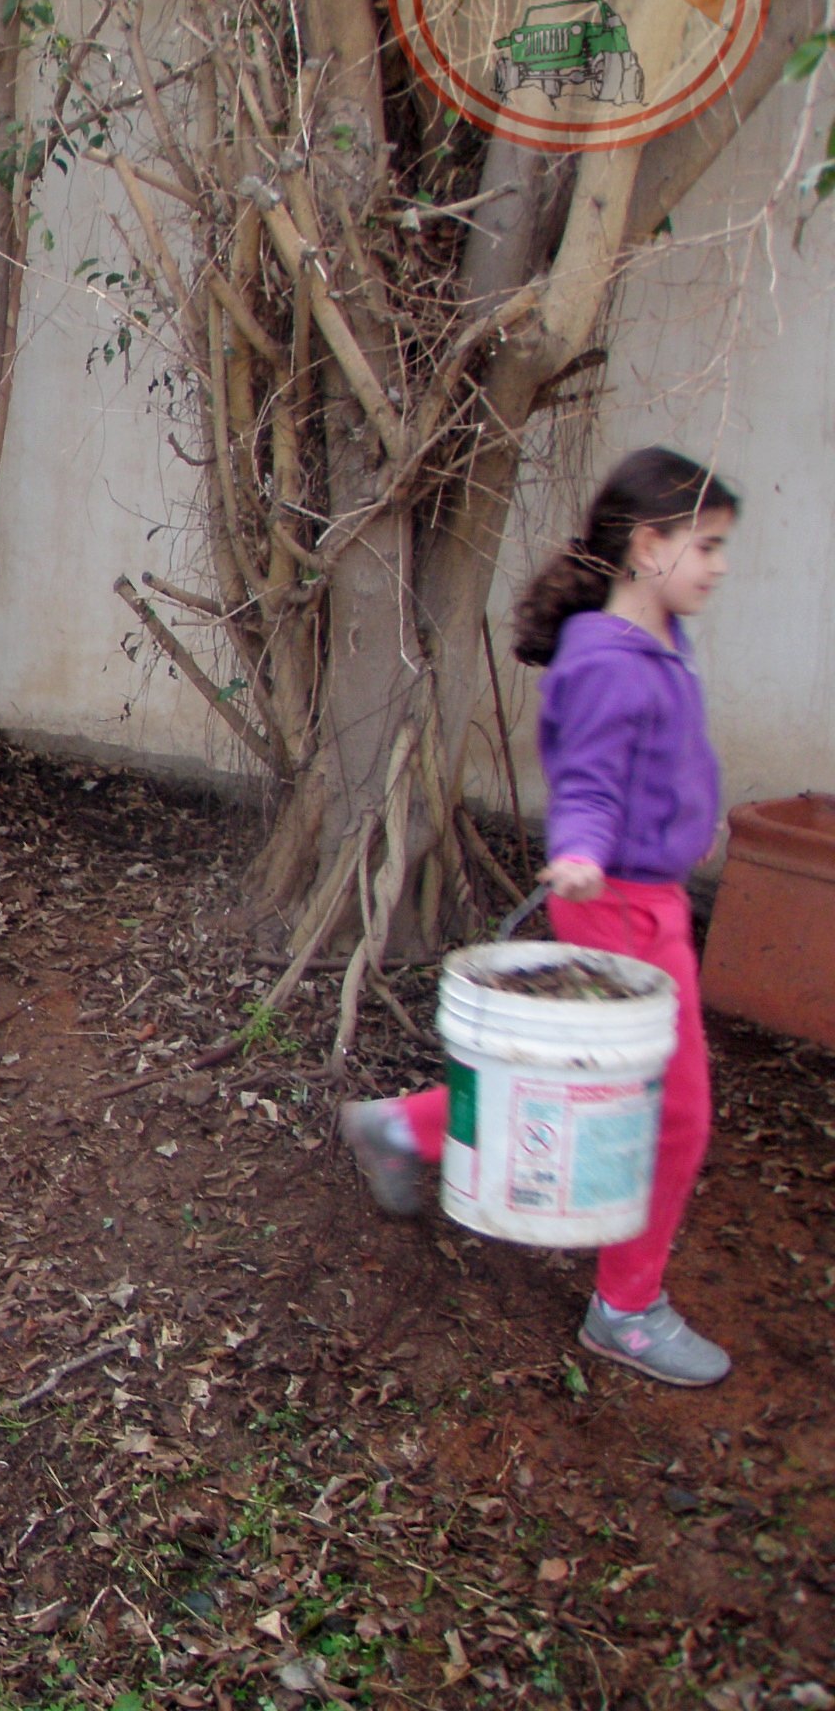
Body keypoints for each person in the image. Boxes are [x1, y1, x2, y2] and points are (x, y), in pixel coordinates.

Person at [339, 446, 740, 1387]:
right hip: (620, 910)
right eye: (708, 546)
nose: (720, 566)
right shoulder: (607, 660)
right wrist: (589, 847)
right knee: (673, 1110)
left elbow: (655, 760)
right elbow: (592, 779)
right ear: (648, 545)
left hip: (654, 903)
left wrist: (690, 815)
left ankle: (403, 1127)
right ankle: (626, 1309)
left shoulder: (656, 639)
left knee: (581, 1082)